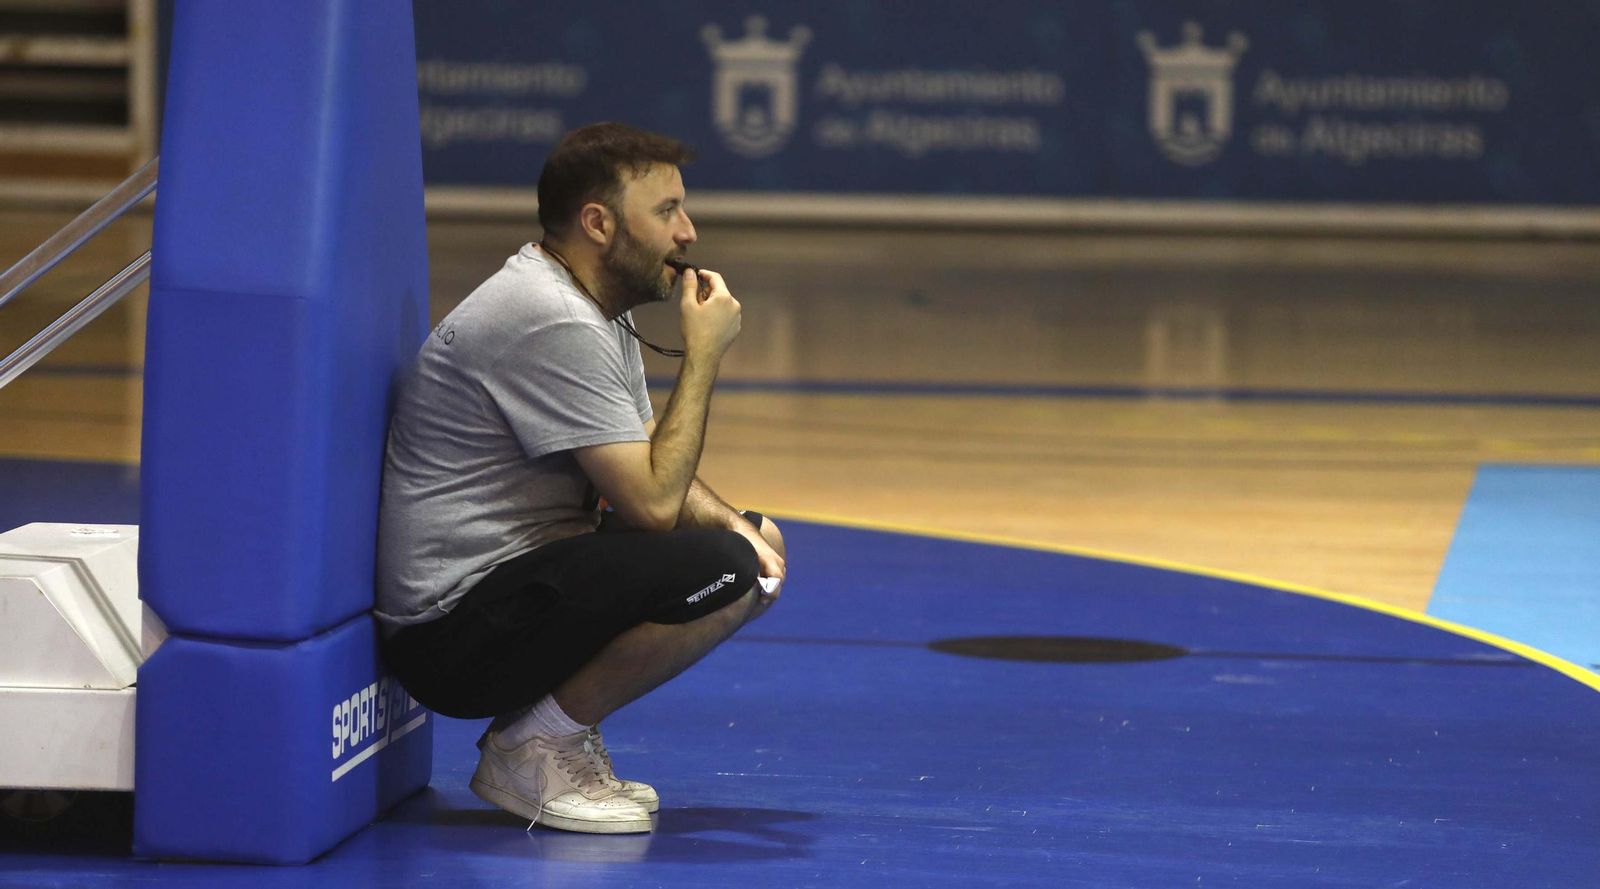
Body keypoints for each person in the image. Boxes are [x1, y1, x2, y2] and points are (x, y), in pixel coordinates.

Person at [374, 122, 786, 834]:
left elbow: (650, 458)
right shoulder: (549, 317)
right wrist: (705, 355)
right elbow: (654, 504)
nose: (688, 232)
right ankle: (532, 747)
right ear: (598, 222)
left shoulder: (594, 308)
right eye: (666, 212)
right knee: (723, 566)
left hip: (512, 588)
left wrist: (741, 533)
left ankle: (549, 730)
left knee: (746, 544)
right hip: (452, 630)